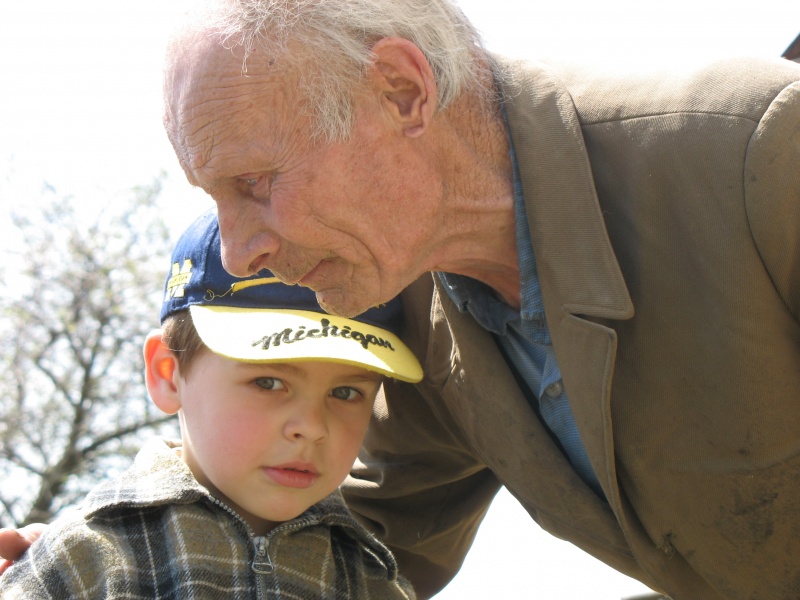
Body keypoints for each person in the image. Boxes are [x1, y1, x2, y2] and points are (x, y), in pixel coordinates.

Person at [3, 3, 800, 599]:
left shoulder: (761, 148)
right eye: (215, 201)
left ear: (400, 90)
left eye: (254, 184)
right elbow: (361, 533)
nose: (241, 251)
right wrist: (98, 556)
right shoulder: (403, 307)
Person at [0, 210, 421, 599]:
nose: (312, 426)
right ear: (168, 373)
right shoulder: (82, 560)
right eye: (269, 381)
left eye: (346, 392)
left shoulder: (374, 582)